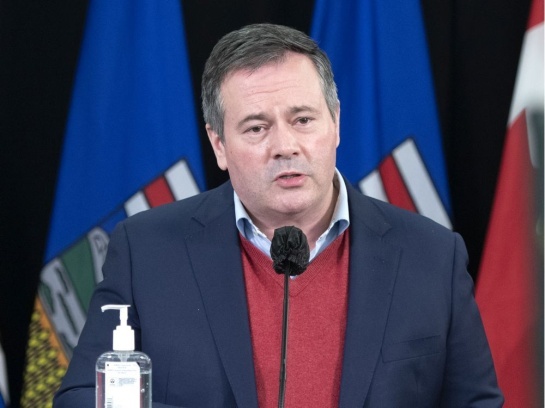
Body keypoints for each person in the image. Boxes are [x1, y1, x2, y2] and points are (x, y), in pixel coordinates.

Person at [54, 23, 503, 407]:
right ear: (219, 145)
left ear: (336, 123)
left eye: (303, 120)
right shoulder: (147, 251)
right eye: (256, 127)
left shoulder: (432, 255)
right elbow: (81, 397)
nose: (285, 146)